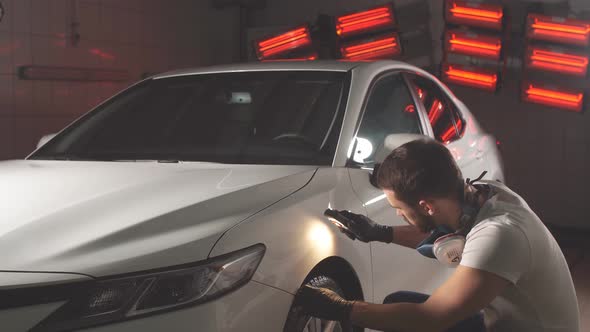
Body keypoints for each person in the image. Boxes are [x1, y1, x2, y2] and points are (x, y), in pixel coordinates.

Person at [297, 138, 580, 332]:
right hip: (505, 323)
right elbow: (447, 242)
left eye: (398, 208)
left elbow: (430, 318)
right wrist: (379, 233)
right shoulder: (484, 195)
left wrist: (342, 308)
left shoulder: (500, 235)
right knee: (396, 303)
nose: (397, 214)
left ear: (426, 205)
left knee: (406, 320)